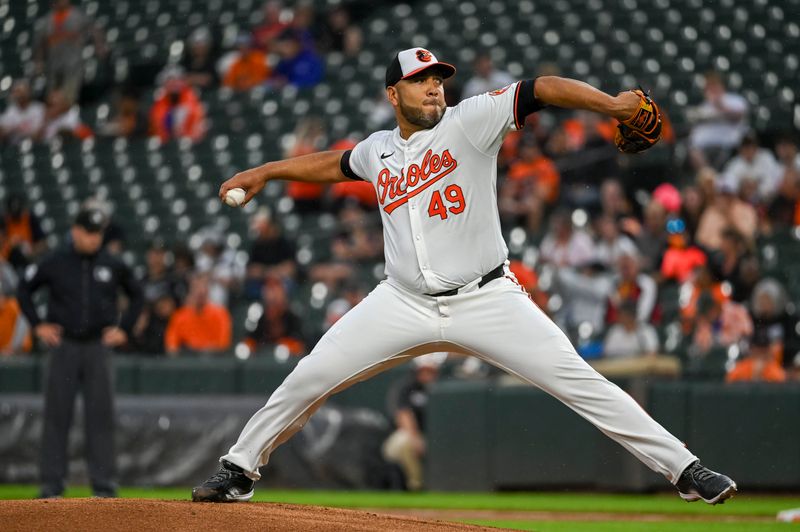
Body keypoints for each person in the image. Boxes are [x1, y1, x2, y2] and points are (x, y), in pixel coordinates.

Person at [195, 47, 736, 505]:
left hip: (487, 298)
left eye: (437, 79)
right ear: (393, 95)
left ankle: (684, 470)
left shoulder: (470, 121)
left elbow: (541, 88)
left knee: (581, 382)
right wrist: (265, 171)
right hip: (401, 302)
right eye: (419, 80)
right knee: (308, 377)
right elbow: (334, 164)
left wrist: (613, 105)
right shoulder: (378, 150)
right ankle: (239, 469)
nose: (433, 88)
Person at [16, 205, 143, 498]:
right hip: (65, 346)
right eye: (88, 232)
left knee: (101, 416)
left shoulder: (112, 263)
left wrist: (125, 327)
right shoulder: (56, 261)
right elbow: (25, 289)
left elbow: (137, 294)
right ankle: (51, 484)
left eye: (97, 233)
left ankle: (104, 485)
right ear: (75, 231)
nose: (93, 238)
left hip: (98, 347)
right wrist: (38, 325)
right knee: (56, 415)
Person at [382, 353, 442, 491]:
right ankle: (416, 485)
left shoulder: (442, 387)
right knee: (400, 445)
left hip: (436, 435)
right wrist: (415, 438)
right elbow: (404, 414)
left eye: (431, 371)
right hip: (416, 433)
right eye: (424, 370)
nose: (427, 374)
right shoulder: (407, 387)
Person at [34, 0, 106, 104]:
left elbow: (95, 29)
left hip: (73, 64)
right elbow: (40, 44)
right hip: (53, 66)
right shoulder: (47, 20)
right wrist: (39, 62)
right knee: (52, 99)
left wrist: (99, 46)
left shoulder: (78, 16)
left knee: (68, 98)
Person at [164, 273, 232, 356]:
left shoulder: (221, 314)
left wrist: (204, 351)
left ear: (208, 290)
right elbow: (171, 346)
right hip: (187, 361)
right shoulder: (179, 316)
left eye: (203, 286)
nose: (200, 291)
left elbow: (223, 345)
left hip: (213, 362)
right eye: (196, 287)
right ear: (191, 290)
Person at [0, 80, 46, 145]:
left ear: (28, 93)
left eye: (21, 92)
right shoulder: (10, 110)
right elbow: (2, 133)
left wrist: (18, 130)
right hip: (14, 147)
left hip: (35, 146)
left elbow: (40, 133)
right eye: (16, 92)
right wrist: (11, 130)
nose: (19, 95)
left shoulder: (39, 108)